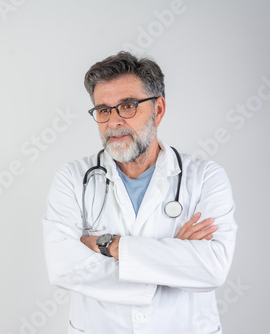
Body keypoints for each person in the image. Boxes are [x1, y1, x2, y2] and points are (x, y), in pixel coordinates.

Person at [42, 51, 237, 334]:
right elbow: (64, 267)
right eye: (104, 110)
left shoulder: (206, 177)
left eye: (128, 106)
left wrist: (109, 245)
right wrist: (174, 261)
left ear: (158, 109)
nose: (114, 121)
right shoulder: (72, 179)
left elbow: (212, 268)